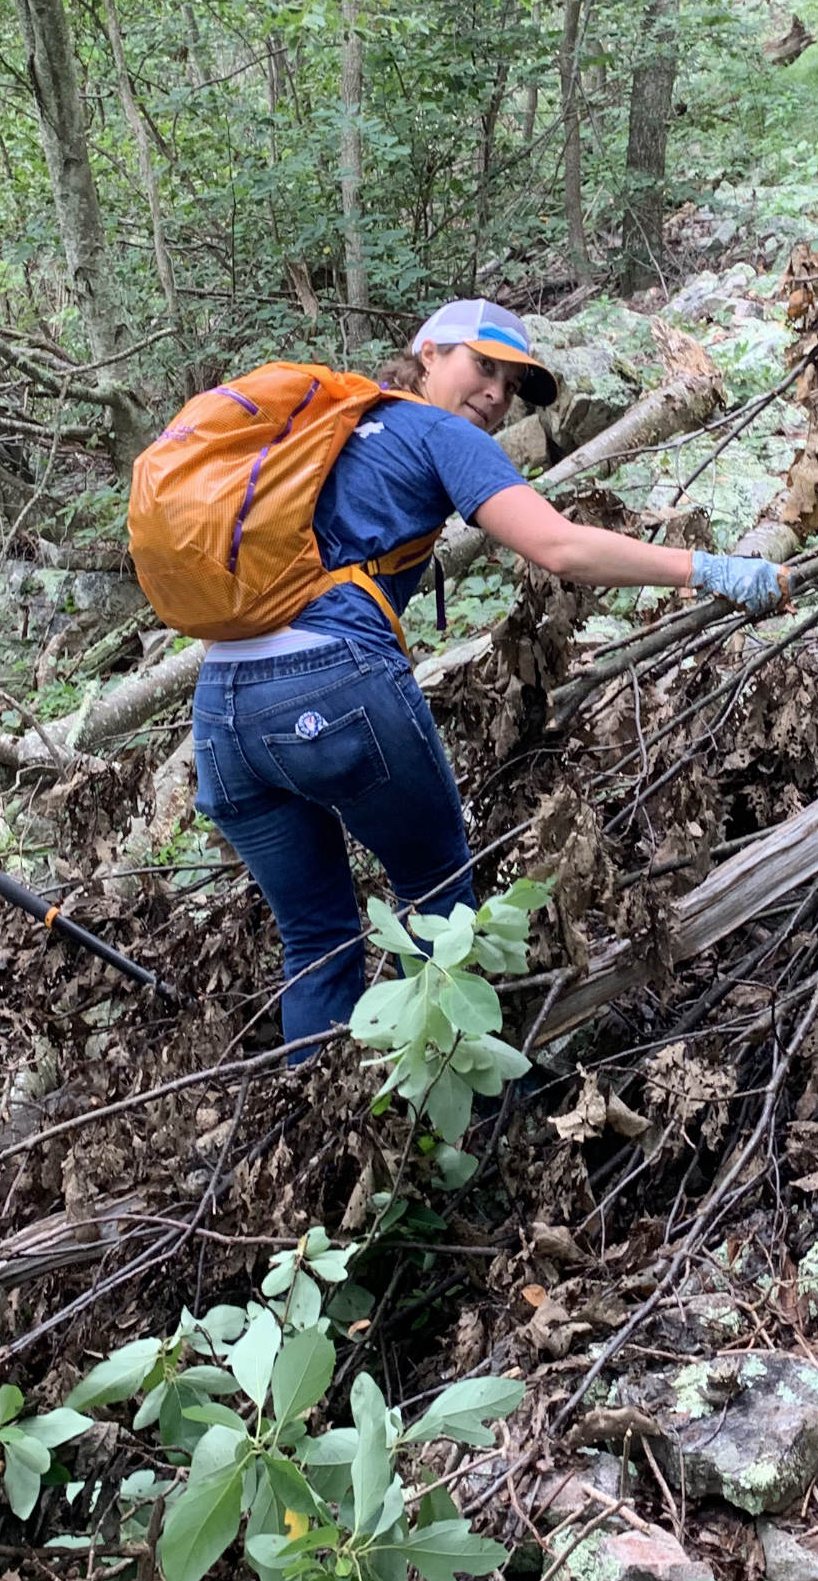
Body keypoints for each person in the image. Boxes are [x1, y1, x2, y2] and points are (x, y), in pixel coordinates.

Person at [190, 298, 786, 1053]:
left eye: (512, 383)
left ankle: (321, 1144)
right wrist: (710, 569)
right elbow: (560, 549)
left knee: (317, 941)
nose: (498, 393)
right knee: (439, 904)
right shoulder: (430, 429)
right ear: (428, 353)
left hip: (221, 711)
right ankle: (465, 1123)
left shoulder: (324, 434)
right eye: (483, 365)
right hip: (330, 683)